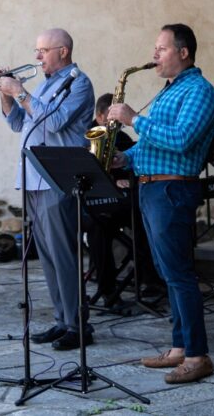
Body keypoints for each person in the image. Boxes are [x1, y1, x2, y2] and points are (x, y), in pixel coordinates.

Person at [107, 23, 214, 384]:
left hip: (173, 191)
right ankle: (178, 348)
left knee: (180, 274)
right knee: (168, 273)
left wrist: (133, 119)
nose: (154, 54)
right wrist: (123, 160)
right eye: (155, 48)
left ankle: (199, 355)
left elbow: (183, 140)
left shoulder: (201, 91)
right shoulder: (170, 91)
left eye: (162, 48)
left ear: (184, 53)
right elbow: (153, 145)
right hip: (152, 188)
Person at [0, 28, 96, 351]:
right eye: (36, 50)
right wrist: (6, 93)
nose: (37, 57)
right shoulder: (45, 85)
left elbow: (55, 122)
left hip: (57, 178)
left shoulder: (78, 82)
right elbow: (16, 124)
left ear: (62, 52)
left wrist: (21, 91)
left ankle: (78, 325)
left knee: (64, 253)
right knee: (48, 256)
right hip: (33, 179)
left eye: (43, 51)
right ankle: (61, 320)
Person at [84, 93, 161, 310]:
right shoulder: (85, 135)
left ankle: (151, 279)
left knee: (143, 218)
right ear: (100, 116)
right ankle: (108, 291)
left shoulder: (122, 138)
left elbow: (135, 167)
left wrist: (127, 179)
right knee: (98, 229)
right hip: (93, 202)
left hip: (120, 202)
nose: (117, 123)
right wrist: (111, 182)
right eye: (112, 117)